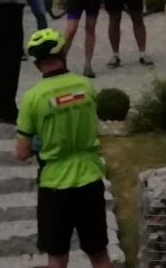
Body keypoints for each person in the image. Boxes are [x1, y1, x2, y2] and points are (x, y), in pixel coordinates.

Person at [15, 29, 112, 268]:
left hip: (54, 186)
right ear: (62, 54)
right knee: (99, 255)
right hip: (90, 178)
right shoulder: (86, 85)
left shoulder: (32, 97)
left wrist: (38, 141)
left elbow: (22, 152)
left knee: (57, 258)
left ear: (38, 63)